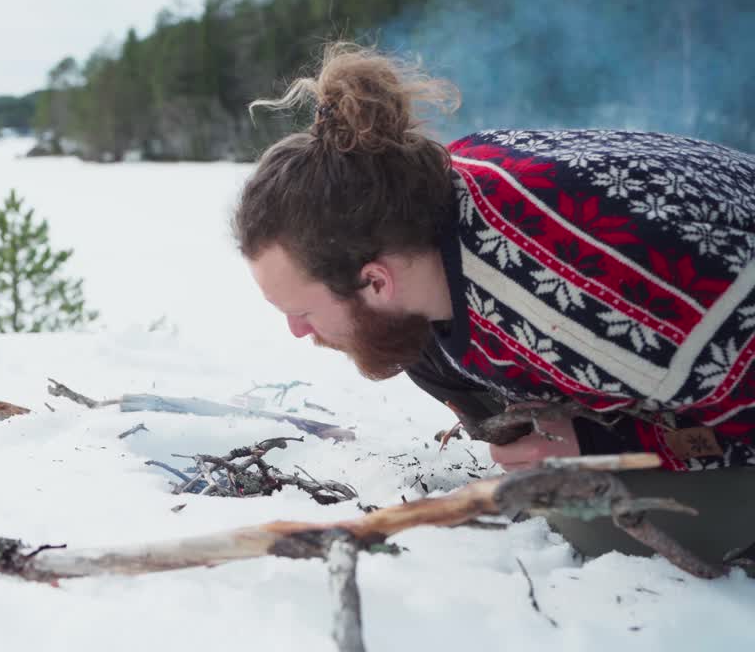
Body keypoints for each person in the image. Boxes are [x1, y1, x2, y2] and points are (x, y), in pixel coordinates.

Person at [234, 42, 755, 567]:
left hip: (718, 346)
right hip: (657, 326)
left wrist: (596, 442)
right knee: (407, 342)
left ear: (375, 280)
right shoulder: (430, 199)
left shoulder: (578, 306)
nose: (297, 331)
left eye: (302, 311)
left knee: (593, 523)